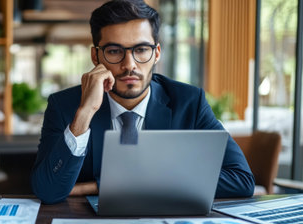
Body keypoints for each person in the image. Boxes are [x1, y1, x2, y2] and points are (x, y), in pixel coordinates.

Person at [31, 0, 255, 204]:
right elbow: (48, 191)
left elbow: (241, 180)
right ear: (95, 57)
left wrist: (105, 185)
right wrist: (85, 113)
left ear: (156, 53)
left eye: (141, 50)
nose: (130, 65)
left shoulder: (189, 102)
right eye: (114, 51)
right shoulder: (65, 106)